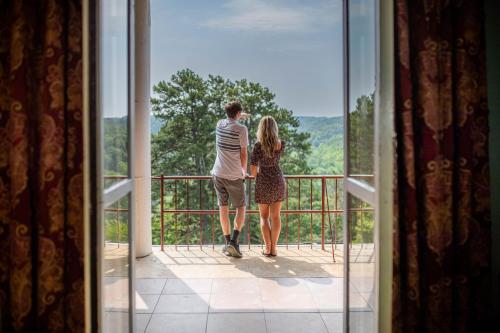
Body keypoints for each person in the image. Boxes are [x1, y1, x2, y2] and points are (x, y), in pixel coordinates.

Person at [211, 100, 250, 258]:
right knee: (241, 208)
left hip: (218, 173)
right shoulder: (242, 129)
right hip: (234, 175)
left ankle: (227, 243)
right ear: (238, 114)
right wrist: (244, 172)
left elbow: (230, 120)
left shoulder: (219, 124)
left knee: (223, 208)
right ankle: (234, 242)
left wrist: (239, 115)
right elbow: (243, 153)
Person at [250, 116, 285, 257]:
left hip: (263, 181)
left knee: (264, 217)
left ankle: (268, 248)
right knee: (275, 217)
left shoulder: (258, 146)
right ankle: (274, 249)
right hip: (277, 180)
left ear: (261, 128)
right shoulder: (281, 144)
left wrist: (259, 170)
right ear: (274, 128)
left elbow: (253, 172)